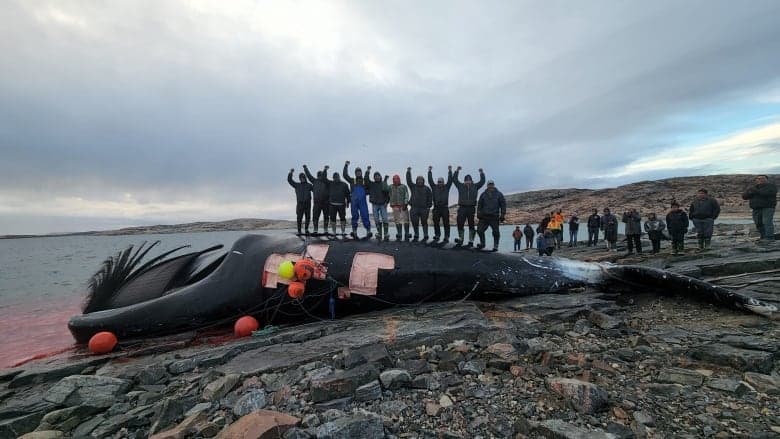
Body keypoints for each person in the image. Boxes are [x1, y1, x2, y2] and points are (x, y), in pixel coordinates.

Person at [452, 166, 486, 247]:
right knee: (460, 223)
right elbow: (454, 179)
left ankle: (471, 240)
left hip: (471, 208)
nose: (468, 182)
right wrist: (457, 171)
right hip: (462, 208)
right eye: (466, 180)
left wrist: (481, 173)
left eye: (469, 180)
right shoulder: (460, 186)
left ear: (471, 181)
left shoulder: (475, 186)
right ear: (464, 181)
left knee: (471, 224)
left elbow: (482, 181)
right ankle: (461, 239)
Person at [742, 175, 777, 241]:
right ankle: (763, 236)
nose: (760, 179)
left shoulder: (771, 186)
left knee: (767, 222)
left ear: (767, 179)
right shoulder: (753, 188)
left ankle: (769, 237)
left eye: (762, 178)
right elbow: (744, 197)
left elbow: (766, 193)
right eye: (758, 178)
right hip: (756, 208)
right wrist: (749, 192)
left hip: (767, 207)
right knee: (758, 223)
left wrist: (754, 191)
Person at [343, 161, 372, 239]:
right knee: (354, 216)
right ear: (355, 173)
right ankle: (354, 232)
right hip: (354, 202)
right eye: (357, 172)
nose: (358, 173)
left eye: (359, 172)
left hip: (362, 201)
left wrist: (366, 192)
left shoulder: (364, 181)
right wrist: (346, 165)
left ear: (361, 173)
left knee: (365, 215)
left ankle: (368, 231)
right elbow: (345, 175)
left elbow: (370, 188)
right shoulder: (352, 180)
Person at [476, 180, 506, 251]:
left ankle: (496, 245)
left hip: (494, 216)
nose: (490, 186)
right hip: (484, 216)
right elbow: (479, 205)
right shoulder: (483, 194)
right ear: (487, 185)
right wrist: (478, 213)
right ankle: (482, 244)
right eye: (489, 184)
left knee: (496, 232)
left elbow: (503, 205)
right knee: (479, 230)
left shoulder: (499, 194)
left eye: (492, 184)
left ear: (494, 185)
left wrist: (502, 214)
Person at [428, 166, 454, 243]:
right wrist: (429, 171)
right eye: (439, 182)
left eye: (441, 182)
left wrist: (450, 171)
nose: (440, 183)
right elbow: (430, 180)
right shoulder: (434, 187)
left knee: (446, 223)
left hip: (445, 208)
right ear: (437, 182)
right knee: (436, 222)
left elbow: (450, 180)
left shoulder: (447, 187)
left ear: (443, 182)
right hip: (436, 208)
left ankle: (446, 236)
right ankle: (437, 235)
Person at [406, 167, 433, 242]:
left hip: (424, 208)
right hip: (414, 207)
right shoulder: (413, 187)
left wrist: (429, 206)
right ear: (417, 181)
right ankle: (416, 234)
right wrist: (408, 172)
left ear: (423, 181)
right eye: (418, 180)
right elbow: (408, 181)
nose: (420, 181)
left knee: (424, 222)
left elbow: (430, 197)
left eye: (421, 180)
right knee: (414, 222)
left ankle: (425, 235)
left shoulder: (427, 188)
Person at [303, 165, 330, 235]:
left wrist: (325, 170)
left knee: (326, 216)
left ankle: (326, 230)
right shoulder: (314, 181)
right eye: (319, 175)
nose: (320, 176)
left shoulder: (326, 182)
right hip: (317, 202)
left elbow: (324, 175)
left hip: (325, 202)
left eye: (320, 175)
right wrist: (305, 168)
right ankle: (315, 229)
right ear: (317, 176)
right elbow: (308, 175)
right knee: (315, 216)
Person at [366, 171, 391, 242]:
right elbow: (366, 179)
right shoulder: (372, 184)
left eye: (378, 176)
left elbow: (387, 194)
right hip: (375, 204)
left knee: (385, 218)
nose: (377, 177)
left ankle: (386, 234)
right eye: (375, 176)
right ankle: (379, 233)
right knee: (376, 219)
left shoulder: (383, 184)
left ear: (380, 176)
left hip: (383, 204)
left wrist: (387, 202)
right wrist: (368, 171)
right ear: (374, 177)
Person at [287, 169, 313, 235]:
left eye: (303, 177)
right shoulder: (297, 185)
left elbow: (316, 190)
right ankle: (299, 230)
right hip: (300, 204)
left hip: (307, 204)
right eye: (301, 178)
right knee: (299, 218)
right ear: (299, 178)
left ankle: (306, 229)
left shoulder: (309, 185)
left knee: (308, 217)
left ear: (305, 178)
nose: (302, 179)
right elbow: (289, 180)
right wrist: (291, 173)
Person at [327, 172, 350, 236]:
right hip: (332, 204)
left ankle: (343, 232)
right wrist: (325, 170)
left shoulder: (344, 184)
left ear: (339, 177)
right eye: (334, 177)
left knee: (342, 218)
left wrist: (348, 202)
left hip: (341, 204)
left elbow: (348, 194)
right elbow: (324, 178)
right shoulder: (330, 183)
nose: (336, 178)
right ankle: (334, 232)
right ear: (333, 178)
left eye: (337, 177)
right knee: (332, 218)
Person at [389, 174, 410, 241]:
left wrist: (406, 203)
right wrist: (385, 179)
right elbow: (386, 191)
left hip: (403, 205)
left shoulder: (404, 186)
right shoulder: (390, 187)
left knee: (406, 220)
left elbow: (406, 195)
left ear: (399, 179)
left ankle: (407, 233)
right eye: (394, 179)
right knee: (397, 221)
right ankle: (399, 233)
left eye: (397, 179)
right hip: (395, 206)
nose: (396, 180)